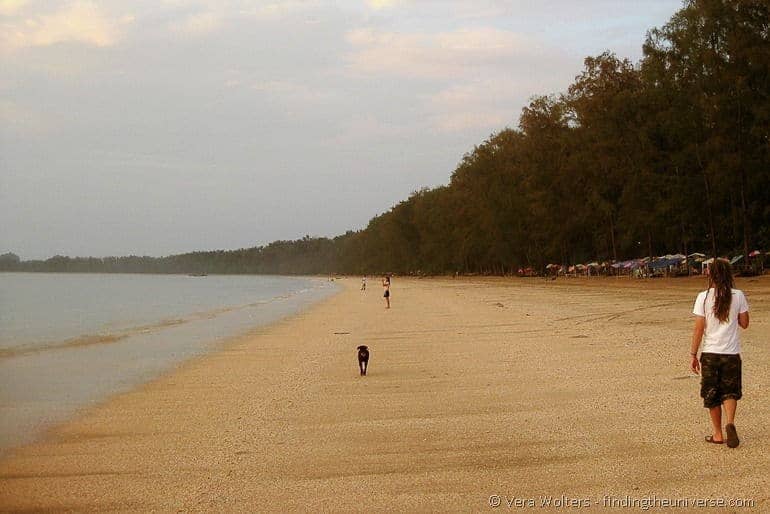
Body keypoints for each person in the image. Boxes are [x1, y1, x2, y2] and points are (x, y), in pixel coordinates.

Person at [690, 259, 749, 447]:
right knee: (730, 391)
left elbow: (699, 328)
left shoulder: (703, 297)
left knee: (712, 393)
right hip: (731, 353)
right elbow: (745, 323)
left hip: (710, 353)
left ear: (711, 275)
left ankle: (717, 434)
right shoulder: (738, 295)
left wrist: (693, 354)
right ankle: (730, 423)